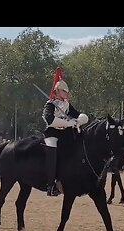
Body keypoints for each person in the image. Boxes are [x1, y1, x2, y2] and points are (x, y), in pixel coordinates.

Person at [42, 67, 89, 196]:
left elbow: (78, 114)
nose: (66, 93)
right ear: (57, 91)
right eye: (64, 91)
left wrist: (80, 120)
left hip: (65, 133)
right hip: (52, 132)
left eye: (67, 91)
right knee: (52, 151)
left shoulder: (67, 105)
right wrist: (68, 122)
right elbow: (49, 119)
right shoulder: (50, 104)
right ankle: (51, 185)